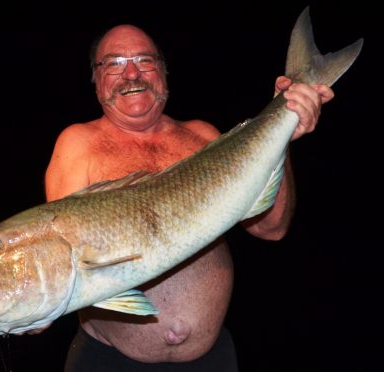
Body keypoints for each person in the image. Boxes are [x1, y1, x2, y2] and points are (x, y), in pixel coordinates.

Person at [43, 25, 334, 371]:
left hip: (211, 358)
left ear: (164, 71)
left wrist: (284, 124)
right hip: (109, 360)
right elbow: (60, 259)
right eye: (114, 63)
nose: (132, 73)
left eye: (144, 60)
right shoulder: (78, 143)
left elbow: (272, 227)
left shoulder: (203, 137)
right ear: (96, 79)